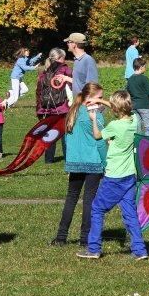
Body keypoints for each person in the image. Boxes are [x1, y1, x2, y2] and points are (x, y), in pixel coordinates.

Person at [77, 90, 148, 260]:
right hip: (130, 175)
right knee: (130, 212)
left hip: (114, 177)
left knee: (97, 209)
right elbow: (120, 108)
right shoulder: (134, 121)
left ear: (116, 109)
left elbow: (97, 136)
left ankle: (93, 248)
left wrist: (94, 119)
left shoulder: (115, 126)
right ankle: (140, 250)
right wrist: (99, 100)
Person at [51, 82, 106, 247]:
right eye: (100, 98)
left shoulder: (72, 112)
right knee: (89, 200)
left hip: (75, 163)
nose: (102, 101)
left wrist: (69, 162)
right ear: (89, 98)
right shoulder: (95, 115)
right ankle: (85, 238)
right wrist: (105, 163)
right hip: (94, 163)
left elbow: (67, 141)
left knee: (71, 198)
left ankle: (61, 237)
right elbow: (101, 142)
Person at [36, 48, 72, 164]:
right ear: (60, 58)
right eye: (64, 57)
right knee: (65, 133)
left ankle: (49, 159)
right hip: (63, 107)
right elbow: (72, 87)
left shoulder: (44, 73)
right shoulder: (65, 70)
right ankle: (68, 158)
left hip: (46, 109)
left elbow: (39, 92)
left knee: (50, 134)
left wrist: (39, 110)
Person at [125, 58, 149, 135]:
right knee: (148, 127)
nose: (145, 68)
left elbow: (127, 93)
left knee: (137, 128)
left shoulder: (130, 79)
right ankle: (148, 146)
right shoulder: (144, 78)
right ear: (141, 67)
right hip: (144, 105)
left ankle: (138, 145)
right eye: (145, 66)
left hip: (134, 106)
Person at [66, 33, 99, 97]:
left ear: (74, 44)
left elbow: (92, 86)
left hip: (84, 103)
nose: (67, 44)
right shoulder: (76, 60)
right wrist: (66, 78)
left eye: (68, 42)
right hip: (77, 102)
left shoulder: (88, 60)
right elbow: (79, 82)